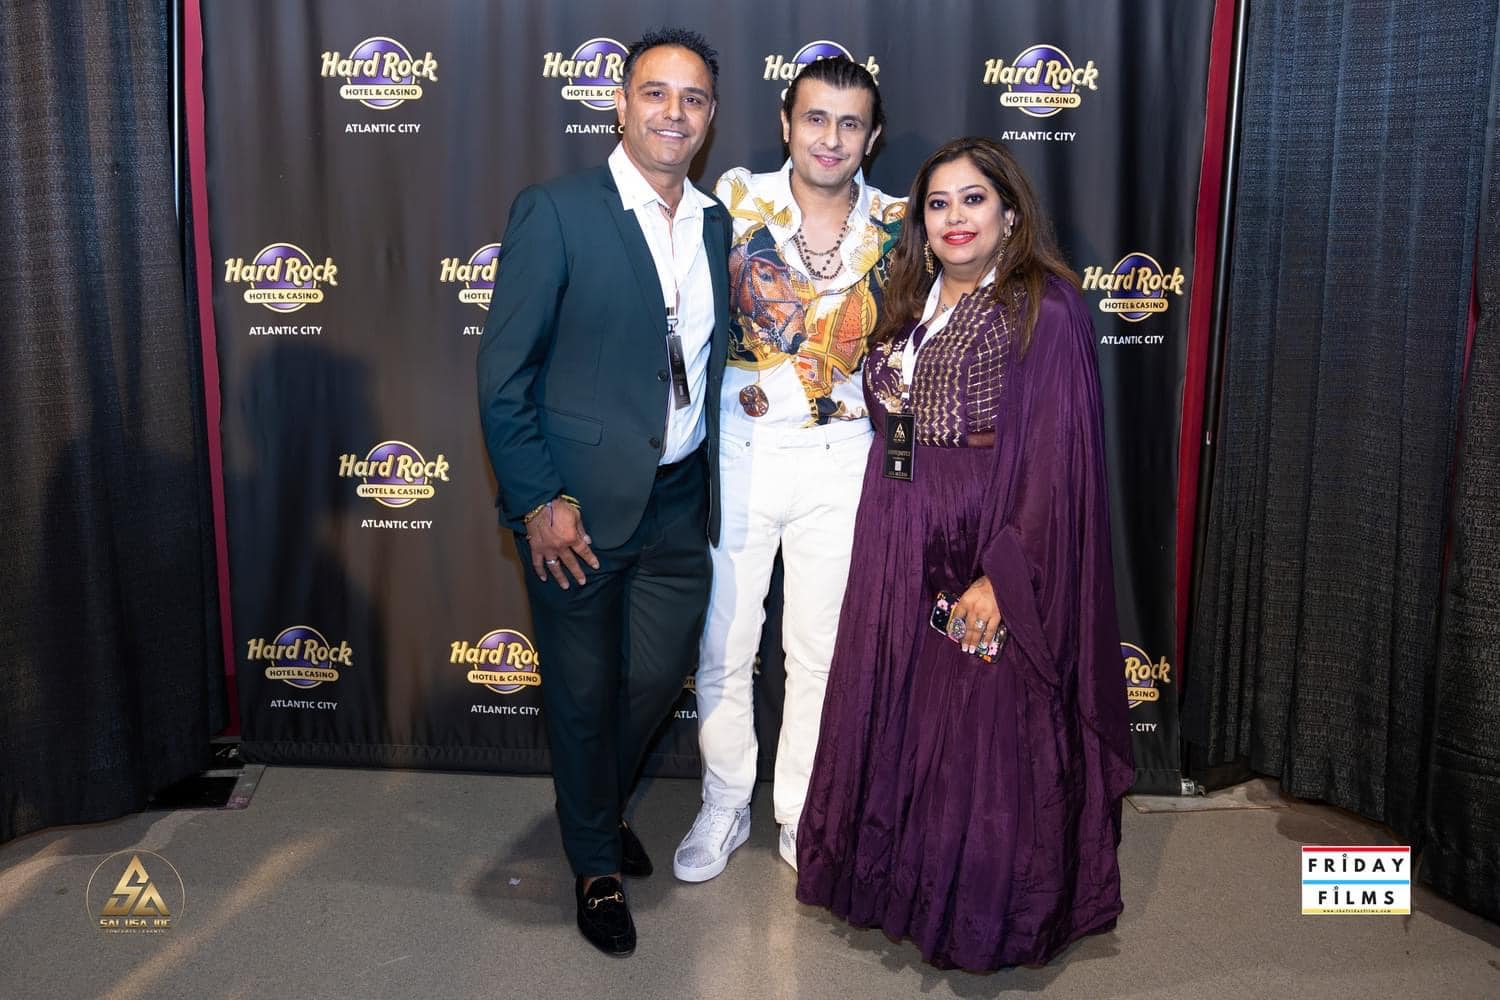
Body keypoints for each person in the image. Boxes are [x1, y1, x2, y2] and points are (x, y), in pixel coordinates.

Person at [795, 136, 1135, 971]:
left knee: (978, 736)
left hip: (981, 543)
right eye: (938, 203)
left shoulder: (1043, 308)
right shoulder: (912, 300)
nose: (955, 218)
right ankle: (903, 890)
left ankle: (982, 915)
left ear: (1009, 213)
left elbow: (1055, 459)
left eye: (973, 199)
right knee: (906, 717)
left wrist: (1002, 575)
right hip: (897, 534)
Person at [475, 28, 730, 957]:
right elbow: (503, 376)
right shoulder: (556, 210)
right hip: (575, 509)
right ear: (620, 105)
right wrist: (538, 499)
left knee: (654, 677)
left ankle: (591, 804)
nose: (673, 112)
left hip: (679, 499)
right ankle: (593, 866)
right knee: (582, 693)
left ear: (710, 116)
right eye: (654, 93)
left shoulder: (714, 222)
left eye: (692, 98)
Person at [672, 56, 905, 882]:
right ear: (786, 123)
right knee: (724, 645)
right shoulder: (736, 200)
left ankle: (805, 812)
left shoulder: (901, 223)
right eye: (815, 118)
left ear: (872, 136)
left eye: (849, 123)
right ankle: (725, 800)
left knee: (818, 652)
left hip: (843, 460)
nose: (830, 138)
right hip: (742, 452)